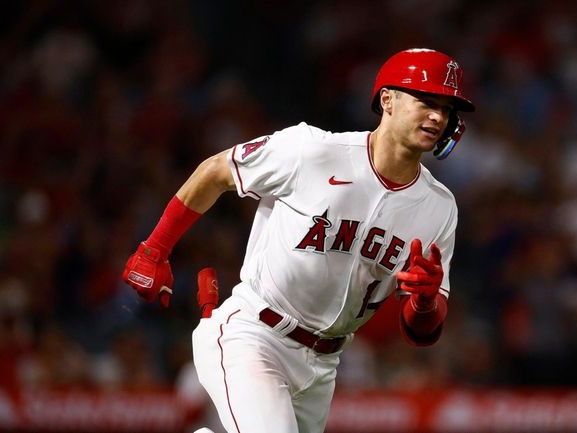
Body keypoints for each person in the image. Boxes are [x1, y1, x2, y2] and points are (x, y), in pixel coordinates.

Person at [121, 48, 475, 433]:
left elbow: (422, 332)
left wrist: (424, 303)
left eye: (446, 107)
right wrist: (155, 248)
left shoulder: (439, 207)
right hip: (255, 334)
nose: (438, 116)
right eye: (425, 101)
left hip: (324, 365)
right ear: (387, 100)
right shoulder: (313, 150)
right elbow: (219, 170)